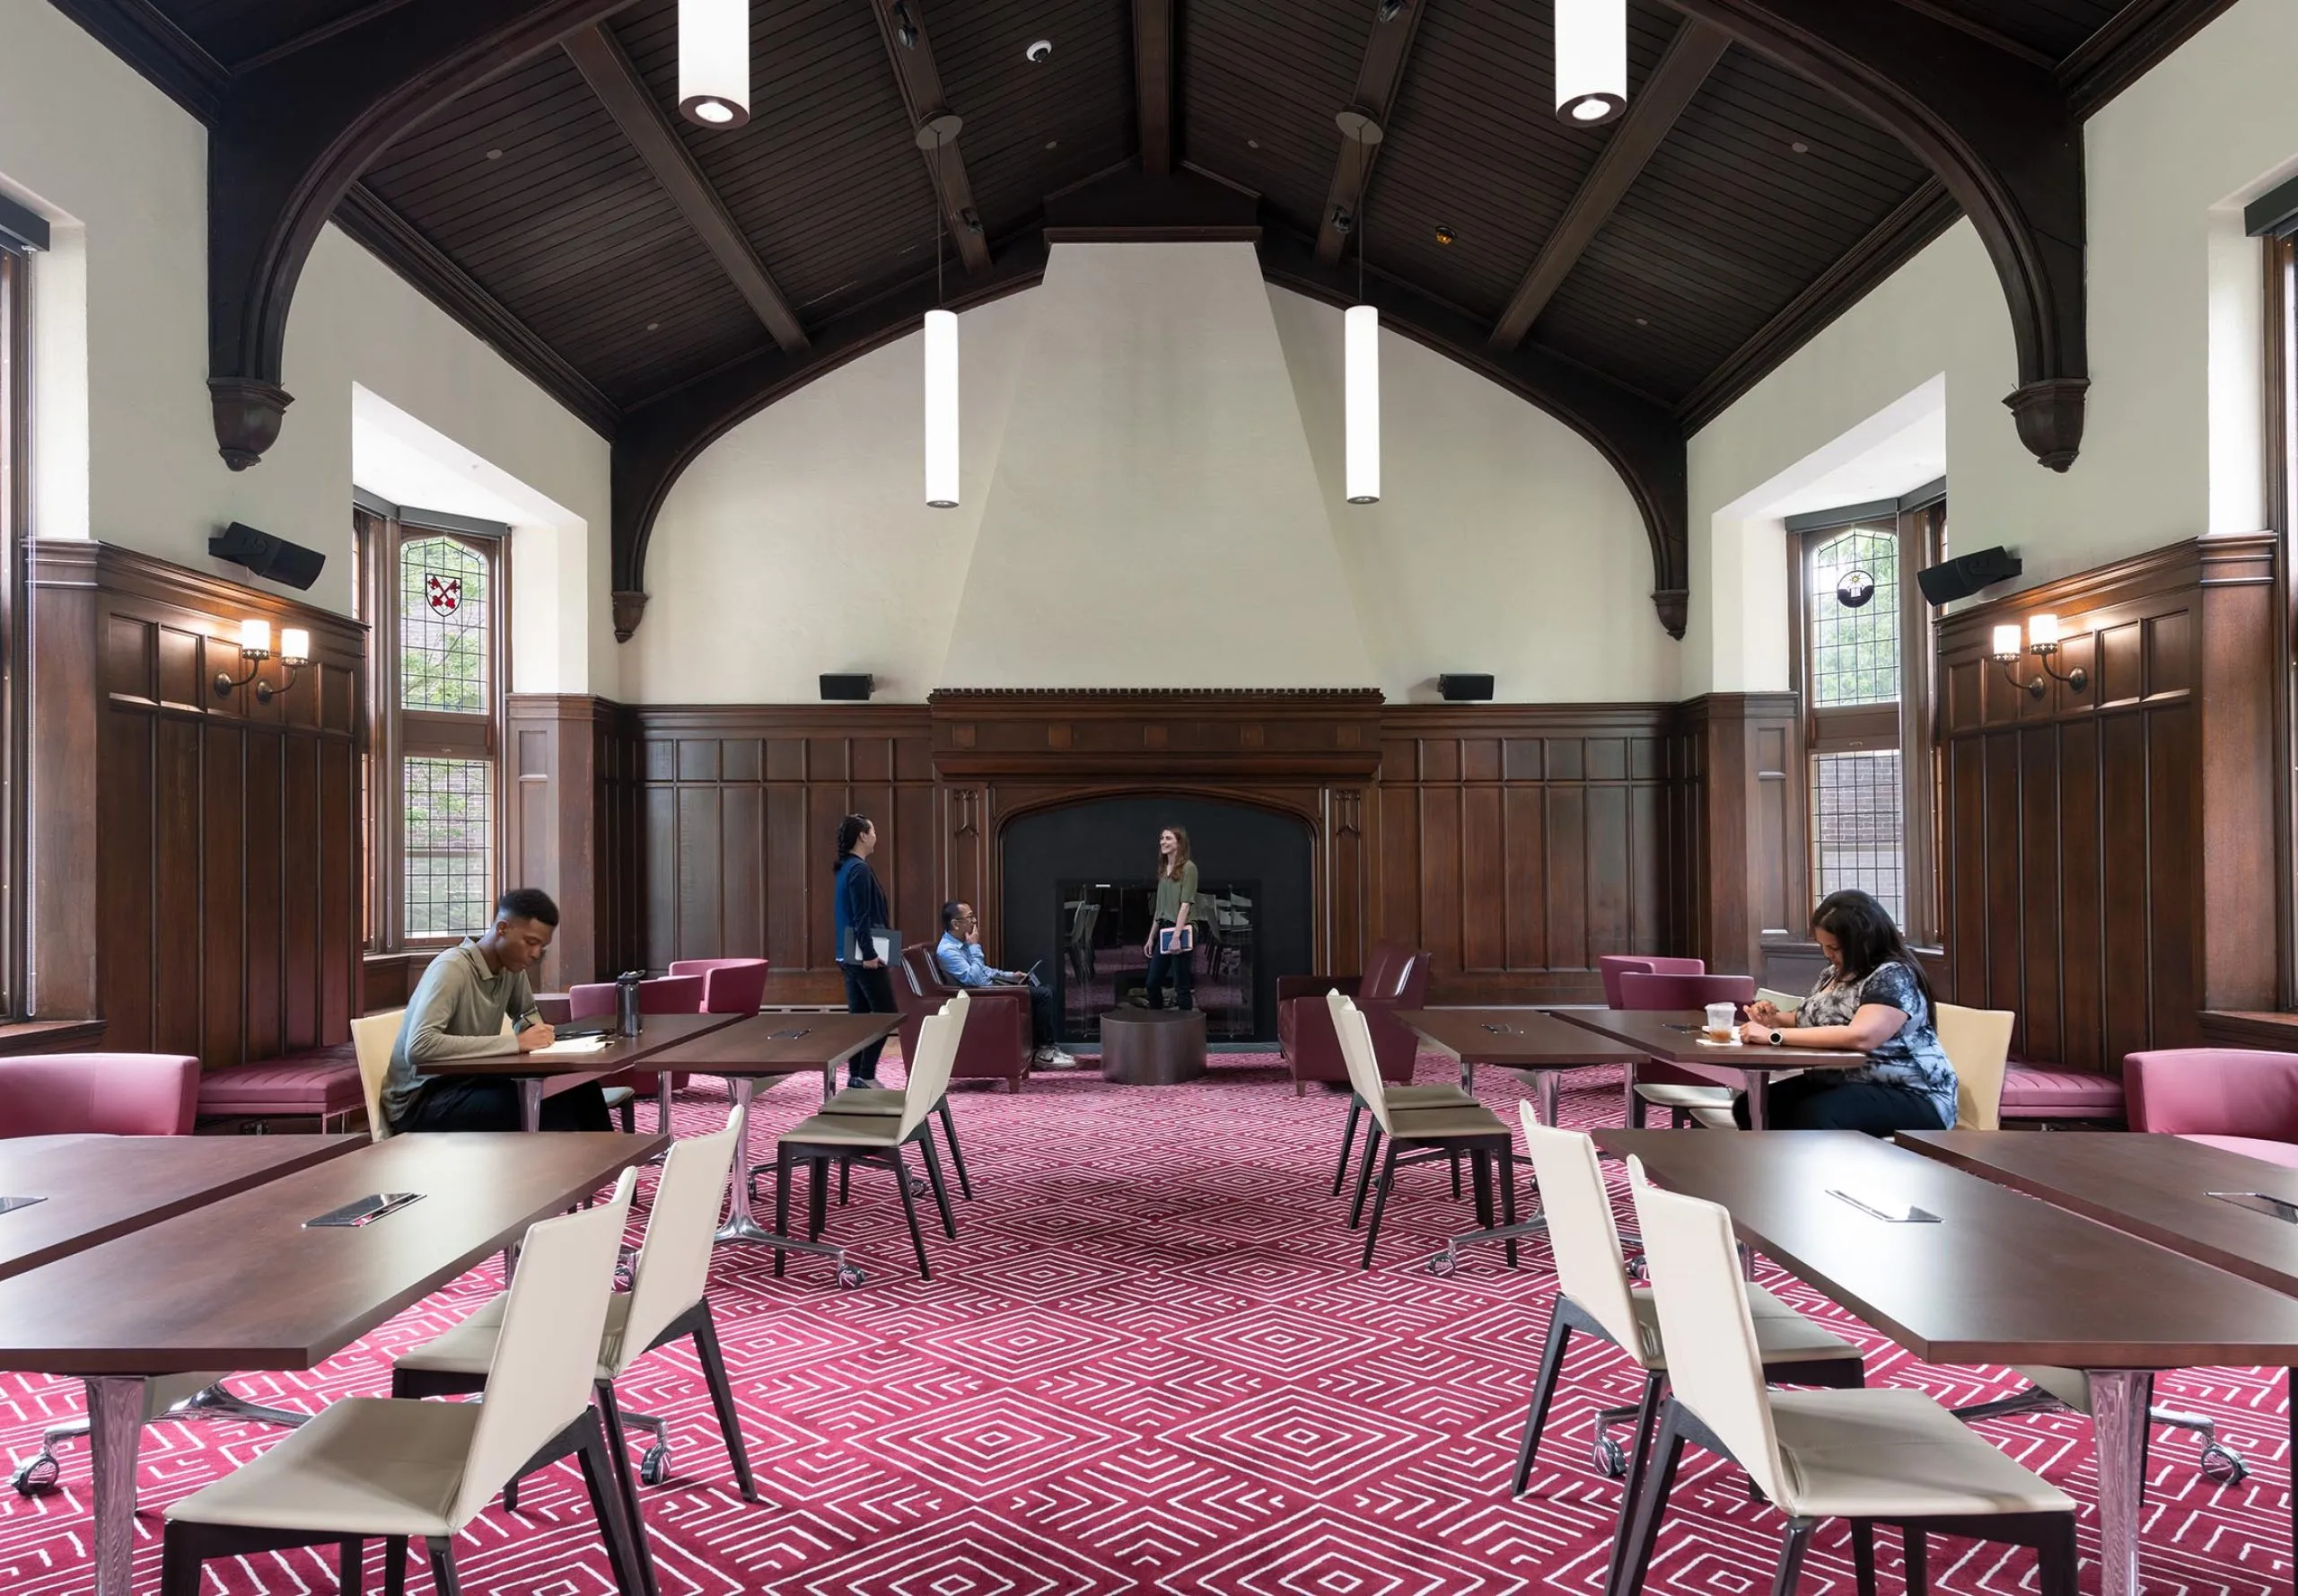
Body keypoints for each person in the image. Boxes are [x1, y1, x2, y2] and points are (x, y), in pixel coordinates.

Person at [1732, 889, 1958, 1133]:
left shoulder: (1892, 975)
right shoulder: (1834, 974)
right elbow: (1809, 1021)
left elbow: (1861, 1036)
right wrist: (1773, 1019)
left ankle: (1817, 1171)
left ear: (1864, 941)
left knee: (1815, 1116)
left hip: (1910, 1092)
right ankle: (1770, 1169)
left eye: (1835, 948)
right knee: (1750, 1106)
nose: (1827, 954)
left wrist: (1773, 1036)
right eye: (1823, 946)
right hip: (1842, 1081)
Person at [387, 888, 610, 1132]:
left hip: (471, 1082)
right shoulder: (452, 968)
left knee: (583, 1091)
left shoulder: (510, 969)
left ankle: (618, 1170)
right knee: (548, 1108)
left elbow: (525, 1013)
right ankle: (568, 1170)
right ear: (502, 929)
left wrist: (537, 1030)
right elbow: (420, 1047)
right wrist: (516, 1042)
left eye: (542, 947)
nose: (536, 954)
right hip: (421, 1101)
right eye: (531, 942)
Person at [936, 901, 1076, 1067]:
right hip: (984, 996)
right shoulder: (948, 950)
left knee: (1047, 989)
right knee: (1043, 995)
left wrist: (1010, 976)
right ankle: (1044, 1052)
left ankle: (1049, 1047)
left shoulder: (962, 943)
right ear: (955, 924)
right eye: (970, 917)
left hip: (990, 988)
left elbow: (983, 971)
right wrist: (975, 947)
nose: (974, 921)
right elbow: (974, 980)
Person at [834, 814, 898, 1090]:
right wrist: (870, 954)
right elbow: (862, 917)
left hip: (847, 954)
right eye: (873, 831)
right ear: (862, 835)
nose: (876, 836)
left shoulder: (848, 867)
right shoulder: (859, 869)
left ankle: (856, 1077)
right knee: (886, 1013)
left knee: (859, 1019)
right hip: (863, 957)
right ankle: (866, 1075)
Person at [1142, 825, 1197, 1011]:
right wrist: (1151, 937)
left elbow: (1185, 904)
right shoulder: (1164, 869)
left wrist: (1176, 937)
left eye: (1168, 839)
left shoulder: (1189, 868)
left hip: (1182, 929)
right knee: (1152, 982)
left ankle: (1186, 1034)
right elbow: (1159, 908)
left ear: (1179, 843)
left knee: (1181, 985)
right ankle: (1157, 1026)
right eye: (1162, 838)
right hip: (1165, 929)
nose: (1162, 842)